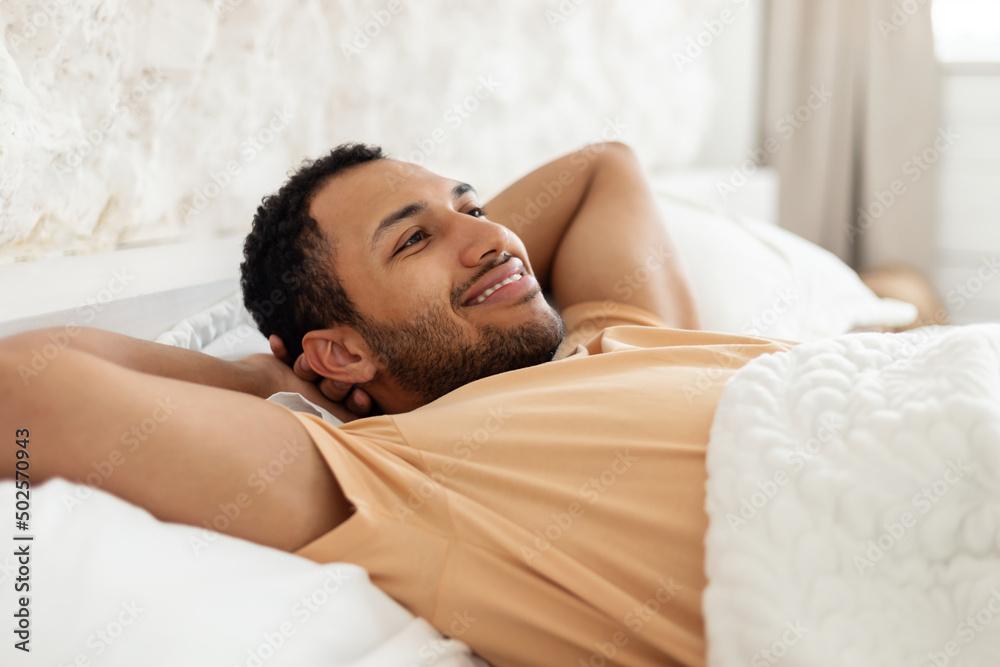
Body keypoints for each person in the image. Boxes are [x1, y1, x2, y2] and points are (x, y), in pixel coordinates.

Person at [0, 141, 795, 667]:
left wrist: (444, 246)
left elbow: (602, 169)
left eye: (475, 208)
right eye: (412, 240)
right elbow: (26, 385)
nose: (497, 240)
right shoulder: (402, 475)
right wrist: (272, 377)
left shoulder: (614, 333)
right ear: (339, 353)